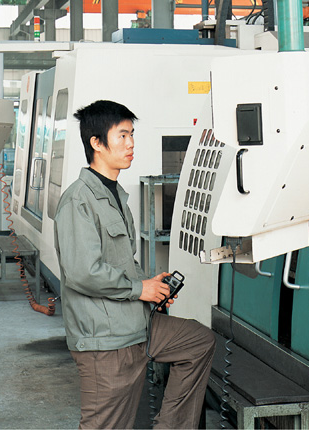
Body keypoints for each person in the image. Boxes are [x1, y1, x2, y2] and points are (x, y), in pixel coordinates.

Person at [53, 100, 214, 429]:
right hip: (106, 340)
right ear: (97, 143)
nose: (131, 144)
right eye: (122, 135)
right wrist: (140, 289)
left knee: (198, 342)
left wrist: (152, 286)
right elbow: (83, 272)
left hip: (137, 323)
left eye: (132, 135)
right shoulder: (78, 201)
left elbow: (122, 262)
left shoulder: (115, 196)